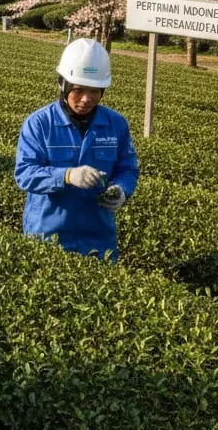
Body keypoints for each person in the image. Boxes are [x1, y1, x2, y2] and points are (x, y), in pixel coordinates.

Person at [14, 38, 139, 262]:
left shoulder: (116, 124)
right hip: (47, 236)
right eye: (78, 90)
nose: (86, 99)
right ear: (62, 85)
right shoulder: (39, 124)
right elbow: (25, 174)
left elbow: (128, 169)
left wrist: (122, 189)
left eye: (94, 91)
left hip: (99, 240)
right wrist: (67, 176)